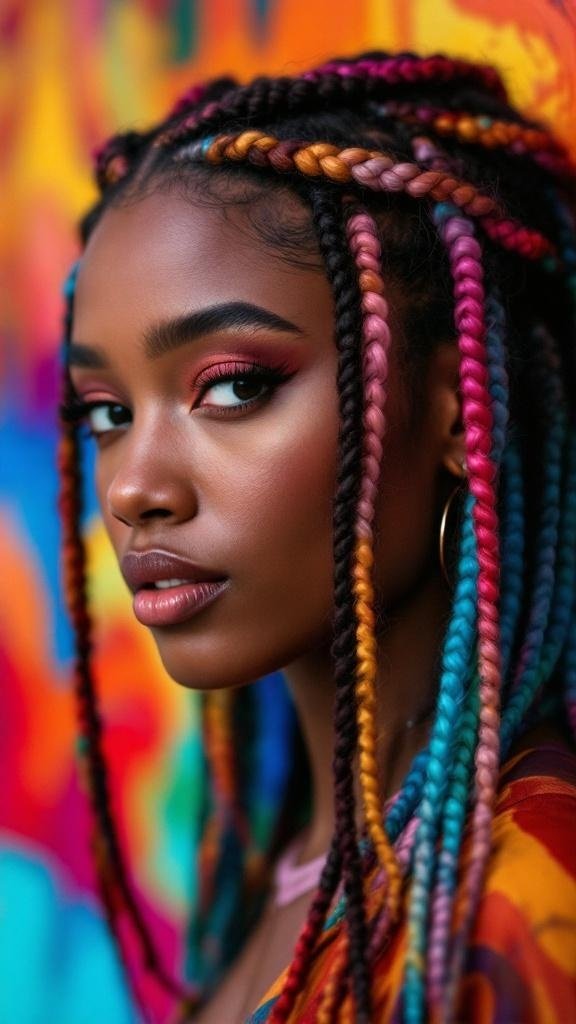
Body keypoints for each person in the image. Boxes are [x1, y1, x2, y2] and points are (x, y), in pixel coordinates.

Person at [58, 51, 576, 1023]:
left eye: (235, 385)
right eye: (105, 410)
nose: (132, 486)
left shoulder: (521, 908)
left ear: (462, 407)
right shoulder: (291, 856)